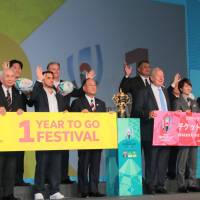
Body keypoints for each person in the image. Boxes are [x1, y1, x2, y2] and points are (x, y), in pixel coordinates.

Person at [47, 61, 95, 184]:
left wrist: (87, 79)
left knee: (64, 150)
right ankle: (48, 178)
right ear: (47, 72)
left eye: (57, 69)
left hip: (64, 121)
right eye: (52, 69)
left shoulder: (66, 84)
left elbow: (79, 93)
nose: (55, 71)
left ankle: (64, 177)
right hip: (48, 122)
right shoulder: (44, 84)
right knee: (49, 151)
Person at [31, 67, 69, 200]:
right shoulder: (39, 92)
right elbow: (31, 100)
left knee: (56, 163)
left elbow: (62, 108)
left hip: (56, 132)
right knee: (42, 162)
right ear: (43, 80)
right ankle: (39, 191)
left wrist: (65, 112)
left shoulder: (57, 93)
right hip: (43, 132)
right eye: (48, 77)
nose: (51, 80)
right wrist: (38, 80)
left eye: (52, 78)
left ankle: (54, 191)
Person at [134, 67, 171, 194]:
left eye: (163, 76)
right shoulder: (143, 92)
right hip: (150, 131)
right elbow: (136, 110)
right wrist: (148, 113)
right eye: (158, 76)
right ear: (151, 78)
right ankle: (151, 185)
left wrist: (174, 114)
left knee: (163, 159)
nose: (162, 78)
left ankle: (160, 184)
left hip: (165, 132)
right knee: (152, 160)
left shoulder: (165, 91)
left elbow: (167, 110)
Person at [71, 78, 106, 198]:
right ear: (84, 88)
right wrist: (80, 114)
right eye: (90, 85)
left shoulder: (101, 103)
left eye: (95, 85)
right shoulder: (77, 103)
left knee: (96, 164)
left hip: (97, 139)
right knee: (83, 164)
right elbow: (72, 121)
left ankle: (94, 189)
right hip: (84, 139)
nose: (93, 87)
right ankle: (83, 190)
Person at [8, 59, 33, 186]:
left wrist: (28, 93)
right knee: (8, 154)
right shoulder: (6, 84)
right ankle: (7, 180)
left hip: (22, 124)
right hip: (8, 124)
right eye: (14, 67)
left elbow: (30, 102)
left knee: (20, 153)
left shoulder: (24, 84)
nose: (17, 70)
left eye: (19, 68)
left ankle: (19, 179)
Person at [173, 78, 200, 193]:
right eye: (186, 86)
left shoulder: (194, 102)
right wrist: (179, 114)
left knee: (193, 161)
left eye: (190, 86)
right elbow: (174, 117)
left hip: (194, 135)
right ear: (180, 88)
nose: (189, 88)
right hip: (183, 135)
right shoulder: (177, 101)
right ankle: (181, 184)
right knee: (182, 161)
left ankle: (192, 183)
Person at [0, 68, 23, 200]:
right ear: (2, 79)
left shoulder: (18, 94)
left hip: (12, 137)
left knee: (11, 167)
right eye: (7, 76)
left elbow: (20, 110)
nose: (9, 78)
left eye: (12, 76)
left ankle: (8, 194)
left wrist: (20, 110)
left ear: (15, 79)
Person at [167, 73, 181, 180]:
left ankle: (183, 174)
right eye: (176, 85)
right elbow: (168, 92)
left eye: (178, 85)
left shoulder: (186, 98)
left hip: (184, 130)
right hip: (172, 129)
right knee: (172, 152)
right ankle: (171, 173)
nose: (177, 87)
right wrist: (174, 82)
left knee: (183, 154)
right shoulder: (169, 97)